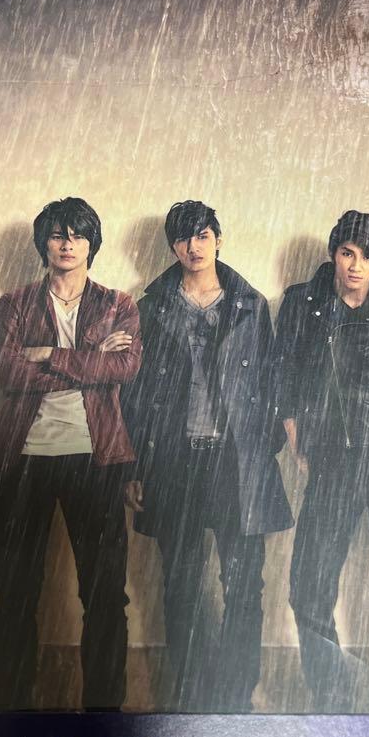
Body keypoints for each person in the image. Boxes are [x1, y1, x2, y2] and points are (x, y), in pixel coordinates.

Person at [122, 201, 291, 711]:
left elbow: (272, 380)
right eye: (182, 238)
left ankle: (237, 697)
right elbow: (136, 393)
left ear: (219, 239)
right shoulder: (151, 307)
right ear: (172, 246)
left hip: (235, 463)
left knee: (243, 584)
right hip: (175, 461)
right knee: (181, 586)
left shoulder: (250, 305)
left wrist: (264, 445)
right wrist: (136, 466)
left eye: (202, 235)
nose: (192, 247)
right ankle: (192, 695)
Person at [0, 197, 140, 711]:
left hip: (96, 458)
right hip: (24, 458)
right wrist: (90, 363)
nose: (67, 243)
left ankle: (104, 712)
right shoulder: (13, 304)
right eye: (57, 234)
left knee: (105, 593)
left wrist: (50, 354)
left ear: (92, 243)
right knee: (14, 591)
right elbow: (10, 375)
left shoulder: (118, 304)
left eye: (77, 234)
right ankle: (12, 708)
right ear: (43, 244)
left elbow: (124, 369)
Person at [276, 210, 369, 712]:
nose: (356, 266)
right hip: (333, 461)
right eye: (348, 253)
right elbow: (284, 379)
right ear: (334, 253)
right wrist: (298, 444)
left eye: (368, 257)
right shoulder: (304, 303)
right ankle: (332, 694)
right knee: (308, 586)